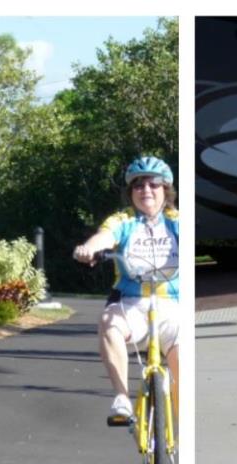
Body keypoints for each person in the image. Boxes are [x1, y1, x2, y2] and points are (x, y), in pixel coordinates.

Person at [73, 157, 181, 419]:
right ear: (131, 192)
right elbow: (105, 236)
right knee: (108, 322)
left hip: (172, 307)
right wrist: (89, 248)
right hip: (131, 305)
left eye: (153, 184)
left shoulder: (176, 221)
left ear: (165, 189)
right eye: (138, 185)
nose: (146, 190)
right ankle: (122, 398)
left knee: (182, 370)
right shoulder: (124, 220)